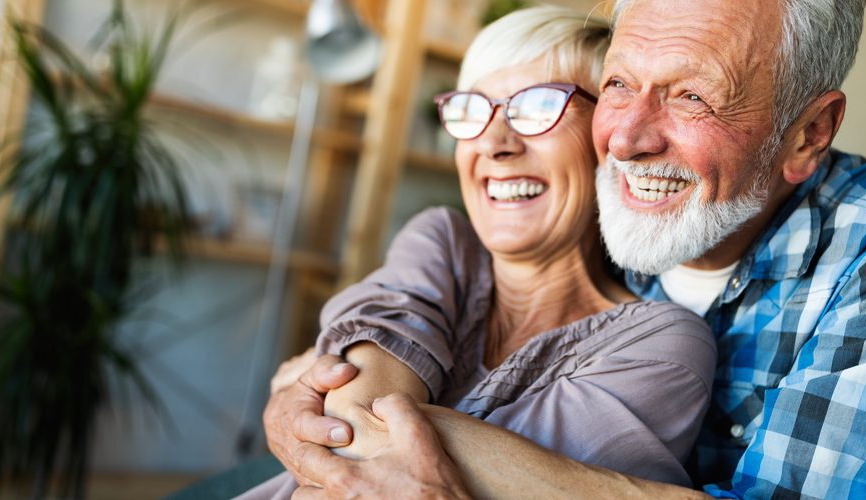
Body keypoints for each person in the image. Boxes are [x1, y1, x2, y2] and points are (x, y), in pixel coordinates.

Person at [264, 0, 866, 498]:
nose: (627, 138)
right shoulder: (614, 221)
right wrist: (314, 383)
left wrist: (369, 414)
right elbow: (392, 319)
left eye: (693, 96)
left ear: (808, 133)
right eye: (619, 84)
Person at [245, 6, 717, 499]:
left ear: (608, 137)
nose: (494, 143)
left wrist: (323, 394)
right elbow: (351, 438)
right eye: (472, 109)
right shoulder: (443, 241)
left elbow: (352, 428)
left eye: (537, 107)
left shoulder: (661, 345)